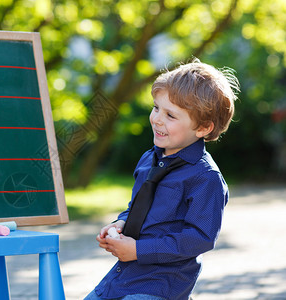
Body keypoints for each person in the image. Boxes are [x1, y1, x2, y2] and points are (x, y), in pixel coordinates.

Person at [84, 58, 240, 300]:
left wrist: (138, 250)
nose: (157, 119)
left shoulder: (205, 178)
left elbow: (199, 239)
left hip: (162, 285)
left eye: (171, 115)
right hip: (123, 277)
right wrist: (121, 224)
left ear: (203, 128)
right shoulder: (149, 159)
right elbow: (136, 207)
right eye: (156, 108)